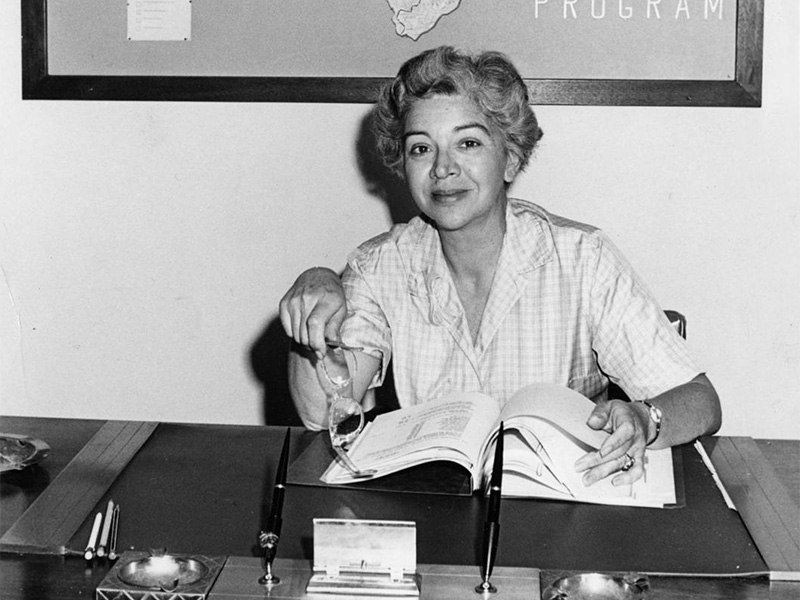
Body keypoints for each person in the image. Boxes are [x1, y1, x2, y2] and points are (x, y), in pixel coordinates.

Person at [279, 46, 721, 487]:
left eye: (467, 143)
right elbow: (321, 414)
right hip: (437, 509)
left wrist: (645, 419)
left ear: (509, 157)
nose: (442, 169)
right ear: (403, 166)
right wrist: (317, 289)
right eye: (420, 149)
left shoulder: (583, 258)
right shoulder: (380, 267)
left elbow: (702, 401)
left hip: (562, 512)